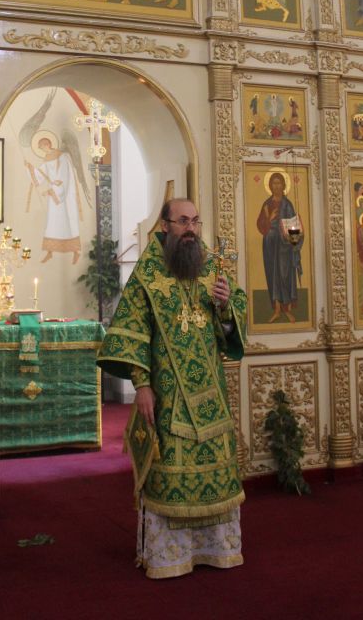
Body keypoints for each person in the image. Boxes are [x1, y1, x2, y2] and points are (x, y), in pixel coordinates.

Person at [97, 198, 246, 579]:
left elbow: (234, 321)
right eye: (183, 221)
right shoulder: (148, 273)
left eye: (195, 221)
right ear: (165, 226)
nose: (191, 228)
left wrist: (226, 308)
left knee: (215, 473)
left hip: (211, 396)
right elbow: (132, 330)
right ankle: (169, 556)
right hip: (168, 395)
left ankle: (216, 549)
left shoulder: (210, 265)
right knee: (169, 474)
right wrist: (141, 385)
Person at [25, 133, 82, 264]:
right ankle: (50, 252)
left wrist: (54, 190)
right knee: (52, 222)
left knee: (68, 221)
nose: (42, 150)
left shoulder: (62, 157)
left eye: (42, 147)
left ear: (48, 144)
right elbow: (41, 174)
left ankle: (76, 252)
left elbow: (64, 177)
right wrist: (30, 168)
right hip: (54, 197)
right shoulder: (47, 158)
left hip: (64, 197)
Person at [256, 171, 303, 323]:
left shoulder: (287, 205)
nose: (276, 186)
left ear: (283, 185)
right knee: (273, 276)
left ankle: (286, 309)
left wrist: (294, 237)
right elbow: (260, 225)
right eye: (274, 183)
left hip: (284, 247)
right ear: (270, 186)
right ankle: (276, 309)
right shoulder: (267, 204)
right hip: (270, 246)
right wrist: (269, 219)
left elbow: (294, 227)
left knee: (285, 275)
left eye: (279, 183)